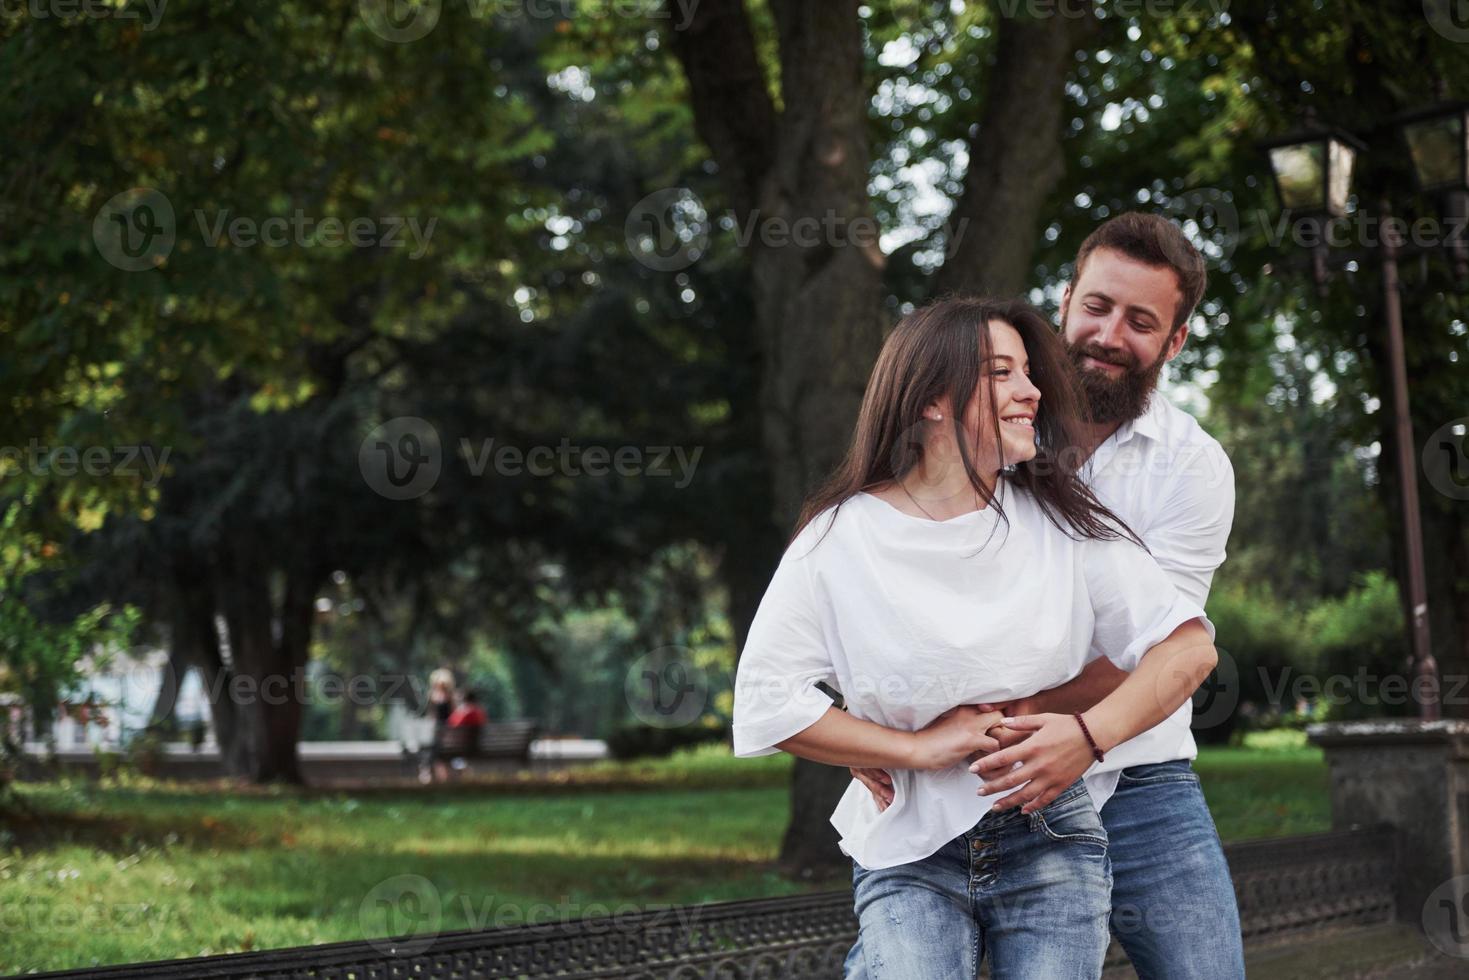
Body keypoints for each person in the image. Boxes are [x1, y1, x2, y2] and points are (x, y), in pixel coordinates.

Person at [733, 296, 1219, 979]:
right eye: (1001, 373)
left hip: (1050, 836)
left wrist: (1087, 737)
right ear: (931, 399)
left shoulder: (1064, 524)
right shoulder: (840, 537)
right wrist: (909, 746)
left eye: (1028, 372)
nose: (1031, 391)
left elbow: (1188, 647)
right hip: (907, 846)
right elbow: (765, 698)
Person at [849, 212, 1245, 978]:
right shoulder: (977, 424)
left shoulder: (1193, 467)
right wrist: (885, 735)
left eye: (1140, 321)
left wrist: (1018, 727)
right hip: (969, 772)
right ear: (1065, 300)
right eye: (1096, 306)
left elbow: (1164, 648)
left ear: (1174, 342)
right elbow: (884, 592)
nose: (1107, 334)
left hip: (1137, 770)